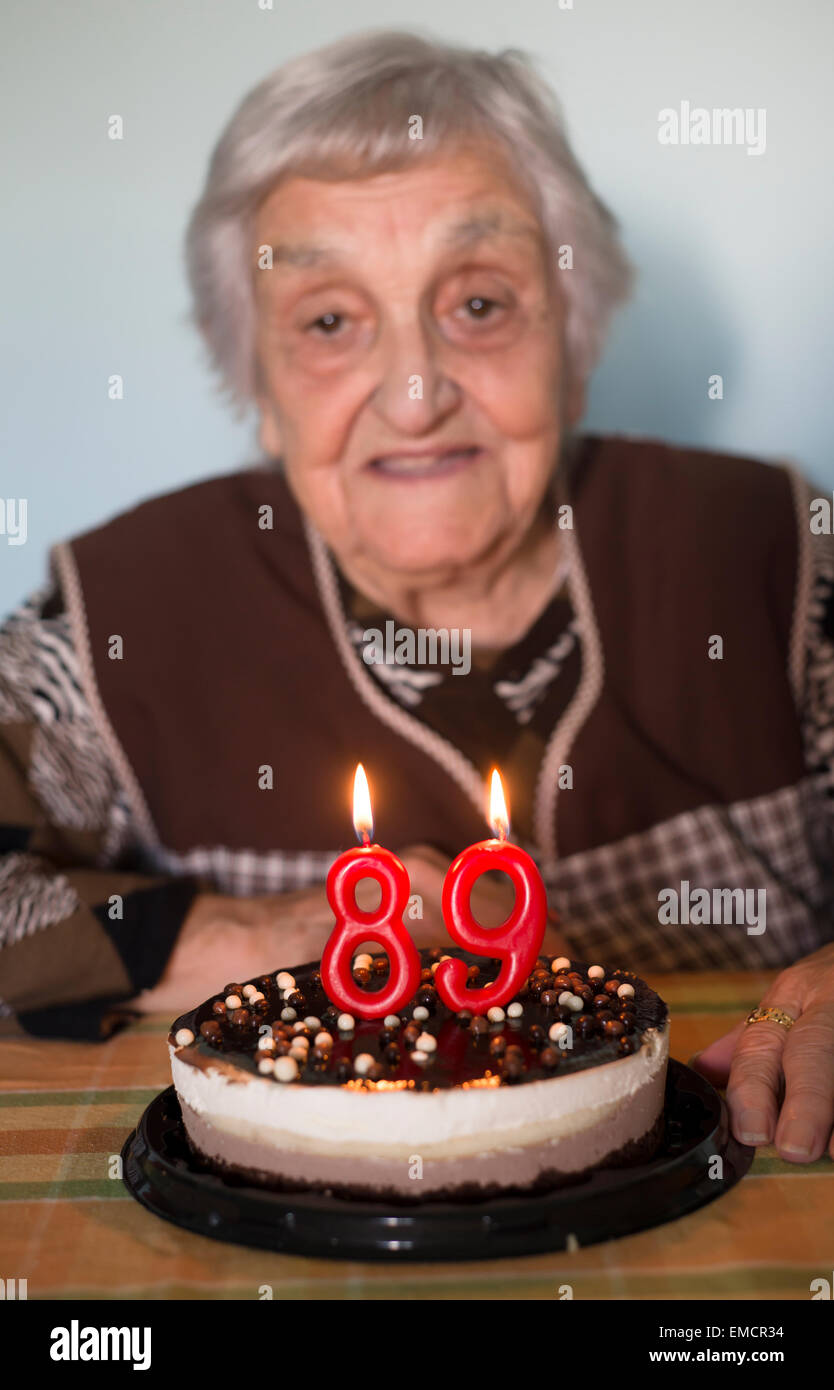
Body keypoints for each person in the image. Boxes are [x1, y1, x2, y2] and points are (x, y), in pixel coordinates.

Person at [1, 31, 832, 1164]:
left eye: (480, 303)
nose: (415, 392)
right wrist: (243, 935)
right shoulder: (121, 614)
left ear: (575, 342)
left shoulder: (774, 552)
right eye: (329, 321)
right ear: (257, 384)